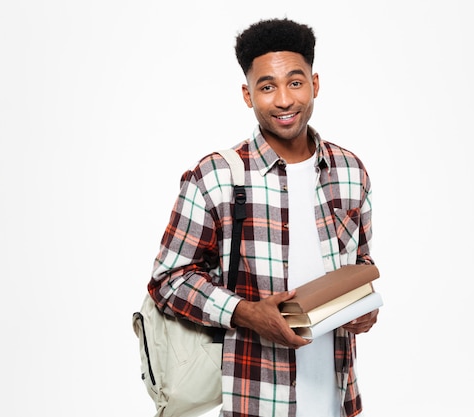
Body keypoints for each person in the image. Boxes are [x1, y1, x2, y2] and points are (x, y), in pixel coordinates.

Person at [148, 18, 379, 417]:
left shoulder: (350, 170)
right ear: (247, 94)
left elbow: (360, 263)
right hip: (257, 401)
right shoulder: (218, 176)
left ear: (315, 84)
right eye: (267, 87)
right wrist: (246, 313)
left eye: (295, 81)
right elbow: (168, 280)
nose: (285, 100)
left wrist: (365, 304)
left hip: (337, 400)